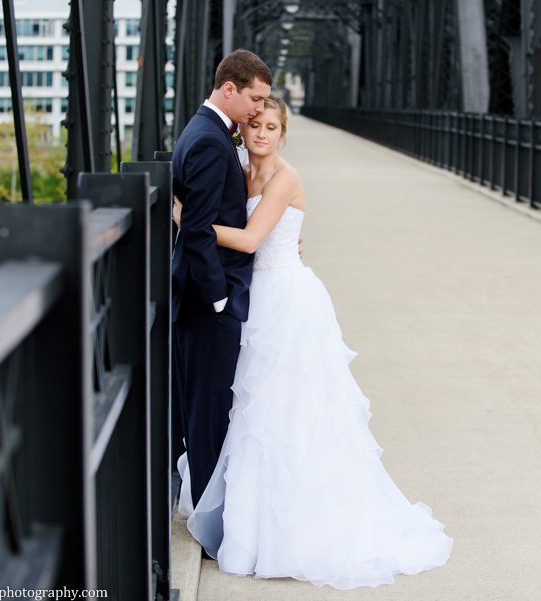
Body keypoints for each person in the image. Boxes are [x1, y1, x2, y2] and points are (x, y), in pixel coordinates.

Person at [175, 96, 452, 589]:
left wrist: (187, 220)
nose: (262, 133)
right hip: (251, 297)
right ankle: (250, 526)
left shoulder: (286, 178)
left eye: (272, 127)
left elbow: (250, 239)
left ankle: (295, 529)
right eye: (255, 125)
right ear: (242, 131)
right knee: (251, 412)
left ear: (283, 133)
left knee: (289, 410)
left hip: (287, 301)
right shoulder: (238, 171)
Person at [170, 49, 271, 512]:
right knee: (209, 419)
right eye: (255, 98)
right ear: (229, 88)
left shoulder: (203, 130)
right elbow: (198, 230)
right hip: (209, 302)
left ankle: (208, 514)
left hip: (199, 300)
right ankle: (211, 526)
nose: (258, 109)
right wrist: (218, 300)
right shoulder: (211, 141)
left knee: (204, 413)